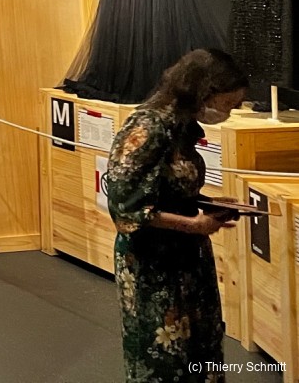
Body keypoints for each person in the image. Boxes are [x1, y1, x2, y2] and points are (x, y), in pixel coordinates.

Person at [106, 48, 249, 383]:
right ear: (205, 91)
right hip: (152, 263)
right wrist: (193, 225)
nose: (228, 112)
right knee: (164, 357)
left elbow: (170, 187)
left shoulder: (181, 127)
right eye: (228, 103)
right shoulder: (148, 127)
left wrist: (206, 202)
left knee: (201, 347)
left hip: (187, 257)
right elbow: (126, 206)